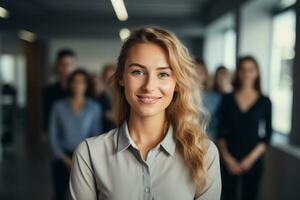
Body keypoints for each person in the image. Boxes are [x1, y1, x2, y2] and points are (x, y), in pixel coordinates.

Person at [69, 27, 221, 200]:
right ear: (121, 78)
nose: (149, 86)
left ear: (176, 83)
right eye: (138, 72)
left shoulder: (205, 153)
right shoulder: (90, 154)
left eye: (163, 74)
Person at [217, 56, 272, 200]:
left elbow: (267, 135)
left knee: (251, 196)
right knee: (228, 196)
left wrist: (250, 160)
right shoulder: (227, 99)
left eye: (251, 69)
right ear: (238, 73)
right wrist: (227, 159)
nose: (247, 73)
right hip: (228, 158)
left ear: (257, 73)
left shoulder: (265, 102)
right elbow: (220, 132)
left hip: (253, 159)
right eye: (243, 69)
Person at [49, 69, 102, 200]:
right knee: (59, 194)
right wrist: (64, 159)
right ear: (70, 84)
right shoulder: (58, 106)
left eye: (82, 82)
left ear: (87, 85)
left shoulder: (94, 108)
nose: (78, 85)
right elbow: (52, 135)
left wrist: (82, 159)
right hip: (61, 158)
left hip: (85, 158)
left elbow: (96, 136)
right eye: (75, 81)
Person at [43, 49, 76, 131]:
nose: (67, 68)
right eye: (63, 64)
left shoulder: (83, 90)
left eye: (70, 64)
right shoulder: (49, 91)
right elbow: (47, 117)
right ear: (58, 66)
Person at [195, 58, 221, 140]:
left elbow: (217, 126)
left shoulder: (215, 98)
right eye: (194, 71)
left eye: (201, 72)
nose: (197, 74)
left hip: (207, 142)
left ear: (206, 75)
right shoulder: (178, 97)